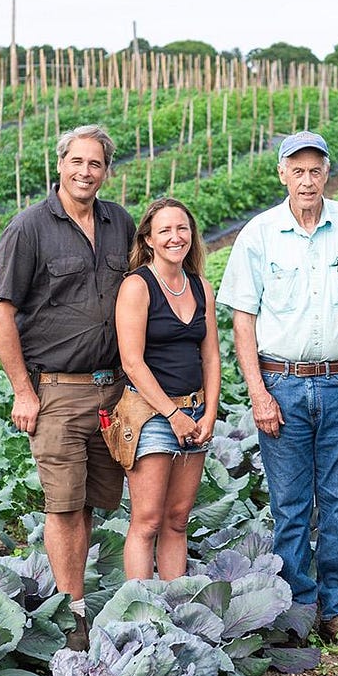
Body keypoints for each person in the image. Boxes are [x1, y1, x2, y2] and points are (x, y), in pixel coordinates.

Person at [218, 130, 338, 646]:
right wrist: (258, 393)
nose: (307, 179)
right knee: (291, 503)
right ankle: (296, 607)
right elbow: (242, 321)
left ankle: (337, 606)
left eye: (316, 170)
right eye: (298, 170)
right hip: (282, 383)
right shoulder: (260, 233)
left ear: (327, 173)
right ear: (282, 174)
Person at [0, 124, 135, 652]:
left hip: (111, 390)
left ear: (106, 171)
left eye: (95, 164)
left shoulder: (119, 222)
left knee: (93, 502)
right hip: (55, 390)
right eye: (77, 161)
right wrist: (23, 391)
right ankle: (73, 616)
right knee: (63, 505)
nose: (85, 172)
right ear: (60, 164)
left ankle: (76, 597)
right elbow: (2, 312)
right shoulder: (29, 228)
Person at [115, 199, 221, 581]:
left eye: (182, 229)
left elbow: (210, 355)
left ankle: (173, 608)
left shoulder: (199, 286)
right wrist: (173, 415)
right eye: (165, 231)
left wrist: (208, 412)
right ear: (148, 239)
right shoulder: (137, 287)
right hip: (151, 416)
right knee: (147, 520)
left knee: (177, 520)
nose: (176, 237)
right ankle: (140, 611)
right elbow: (132, 362)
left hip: (194, 411)